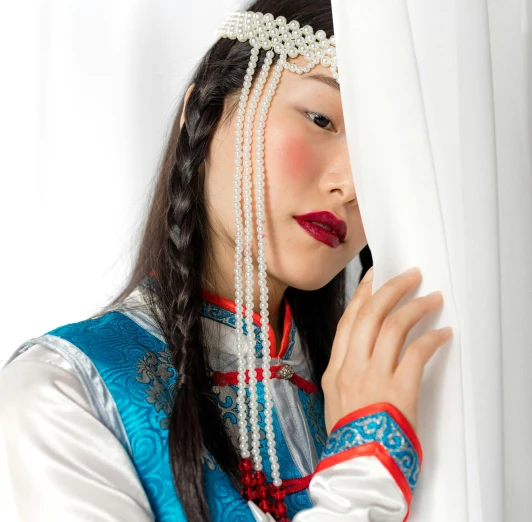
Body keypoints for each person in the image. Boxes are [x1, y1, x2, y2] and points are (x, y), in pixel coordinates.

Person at [0, 1, 453, 521]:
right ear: (206, 113)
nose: (350, 185)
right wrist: (367, 469)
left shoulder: (393, 381)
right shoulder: (68, 391)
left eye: (382, 155)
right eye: (321, 118)